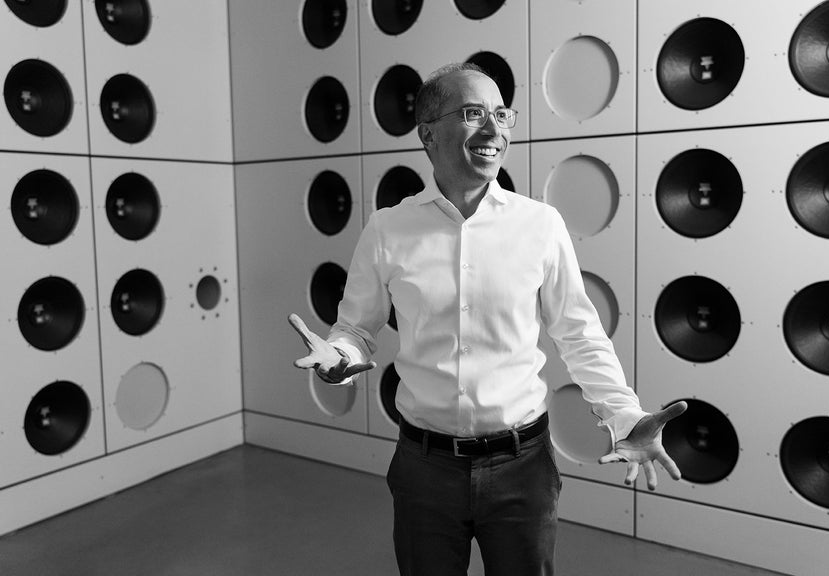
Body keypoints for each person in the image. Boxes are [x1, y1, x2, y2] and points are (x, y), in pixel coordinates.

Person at [288, 62, 686, 576]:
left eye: (502, 114)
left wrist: (624, 416)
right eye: (474, 113)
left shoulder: (540, 224)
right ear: (428, 134)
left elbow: (579, 332)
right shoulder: (388, 229)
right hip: (423, 467)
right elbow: (357, 329)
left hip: (523, 467)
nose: (495, 130)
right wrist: (339, 356)